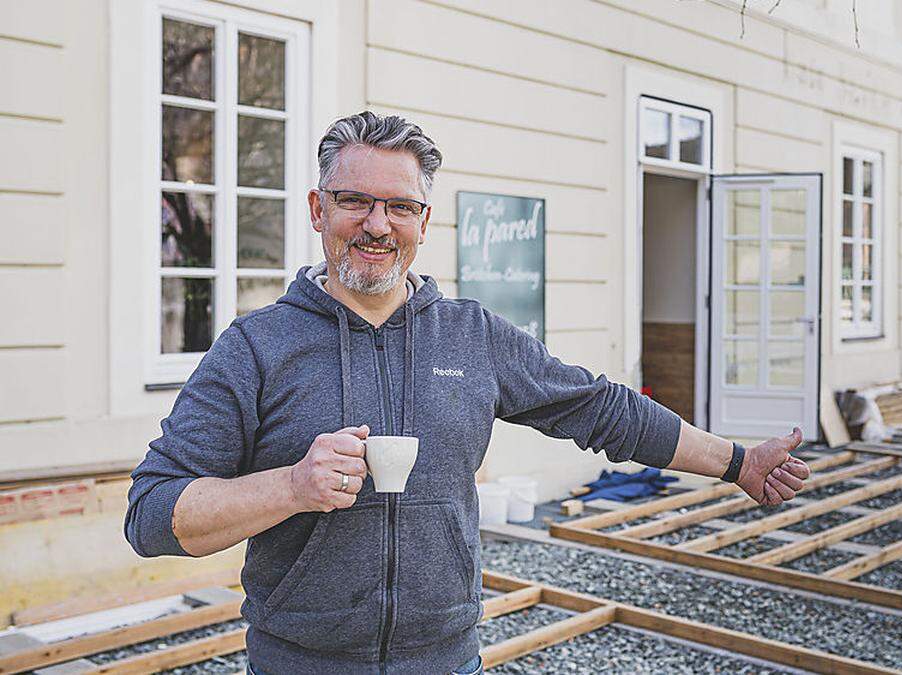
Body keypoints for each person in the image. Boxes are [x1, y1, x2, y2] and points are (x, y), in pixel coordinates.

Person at [125, 111, 811, 674]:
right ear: (317, 207)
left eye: (400, 206)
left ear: (424, 221)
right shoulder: (256, 348)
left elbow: (602, 408)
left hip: (448, 660)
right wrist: (291, 486)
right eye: (354, 200)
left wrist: (736, 461)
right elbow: (152, 513)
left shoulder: (472, 337)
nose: (376, 224)